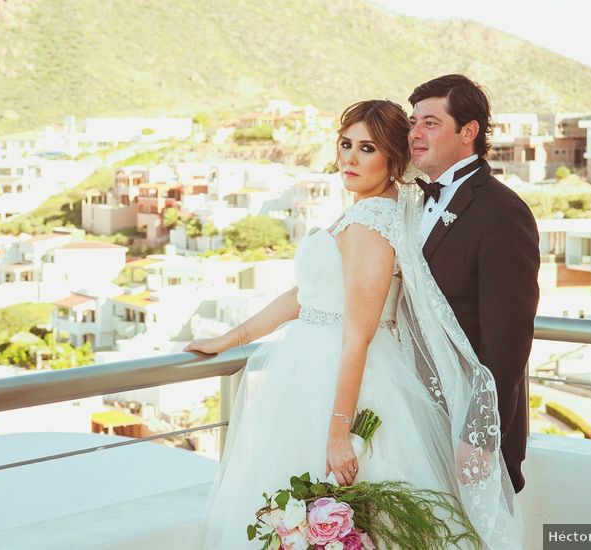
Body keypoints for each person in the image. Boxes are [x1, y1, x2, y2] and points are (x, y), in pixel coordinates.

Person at [190, 98, 523, 549]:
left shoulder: (371, 221)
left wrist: (338, 432)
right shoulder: (363, 210)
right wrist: (234, 337)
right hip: (311, 369)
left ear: (392, 160)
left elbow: (357, 334)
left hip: (340, 380)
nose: (349, 156)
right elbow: (308, 295)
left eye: (367, 149)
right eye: (346, 144)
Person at [408, 74, 539, 494]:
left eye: (430, 122)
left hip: (466, 428)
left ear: (468, 132)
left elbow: (509, 339)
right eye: (413, 122)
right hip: (415, 414)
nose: (415, 133)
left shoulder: (503, 213)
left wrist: (479, 435)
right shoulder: (411, 201)